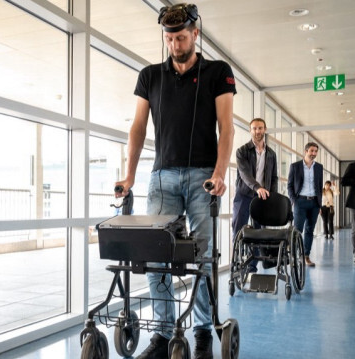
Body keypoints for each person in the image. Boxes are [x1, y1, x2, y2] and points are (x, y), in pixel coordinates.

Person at [114, 4, 236, 359]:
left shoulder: (218, 72)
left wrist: (219, 173)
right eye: (169, 38)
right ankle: (163, 336)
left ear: (196, 34)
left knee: (201, 258)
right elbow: (137, 127)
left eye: (181, 37)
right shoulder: (150, 75)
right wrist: (130, 175)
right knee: (156, 256)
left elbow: (226, 127)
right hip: (162, 176)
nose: (175, 44)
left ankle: (201, 334)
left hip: (202, 178)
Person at [232, 118, 278, 273]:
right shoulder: (242, 151)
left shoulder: (271, 154)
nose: (257, 131)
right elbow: (245, 174)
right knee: (239, 229)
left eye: (260, 128)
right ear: (250, 130)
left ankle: (252, 267)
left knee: (259, 232)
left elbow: (274, 177)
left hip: (262, 198)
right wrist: (257, 187)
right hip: (244, 195)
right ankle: (237, 264)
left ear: (265, 129)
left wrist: (272, 196)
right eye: (254, 128)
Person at [287, 142, 323, 267]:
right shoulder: (295, 166)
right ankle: (294, 255)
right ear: (306, 151)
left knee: (309, 230)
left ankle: (306, 256)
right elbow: (290, 185)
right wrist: (294, 200)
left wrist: (319, 203)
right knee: (297, 230)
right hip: (300, 202)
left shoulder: (319, 167)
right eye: (311, 151)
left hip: (314, 202)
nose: (313, 153)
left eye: (315, 151)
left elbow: (319, 186)